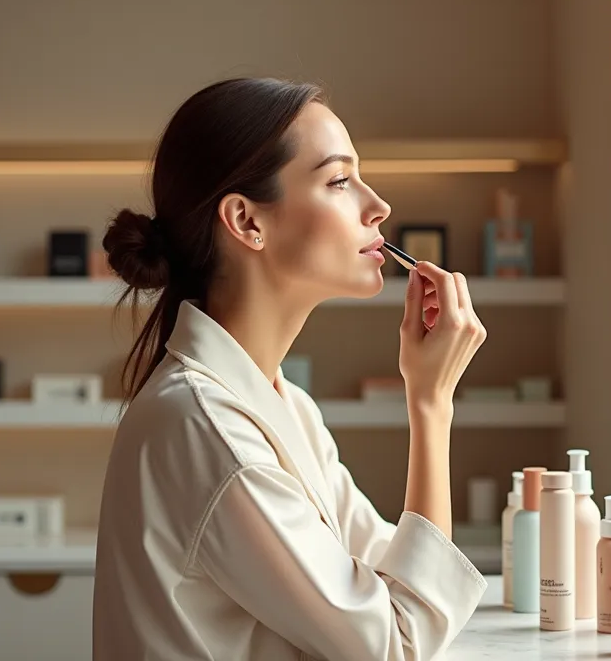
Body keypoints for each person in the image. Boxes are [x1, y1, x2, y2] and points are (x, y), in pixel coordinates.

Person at [91, 77, 490, 661]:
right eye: (339, 180)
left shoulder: (284, 406)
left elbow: (389, 574)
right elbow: (397, 642)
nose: (378, 206)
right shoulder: (206, 427)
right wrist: (431, 406)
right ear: (247, 221)